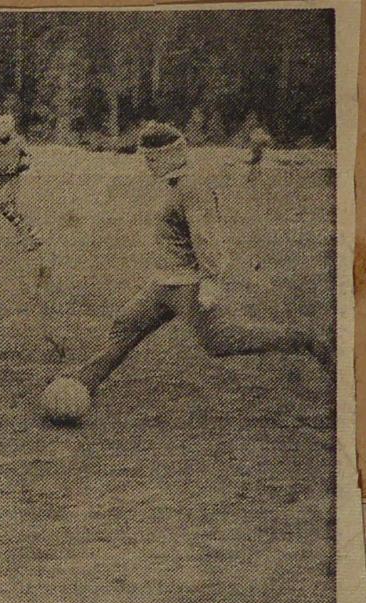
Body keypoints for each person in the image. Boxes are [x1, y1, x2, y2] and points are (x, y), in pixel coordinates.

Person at [61, 121, 333, 398]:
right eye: (146, 157)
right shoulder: (175, 183)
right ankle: (84, 382)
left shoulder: (192, 187)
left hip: (188, 285)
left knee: (219, 341)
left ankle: (306, 339)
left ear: (171, 155)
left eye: (152, 158)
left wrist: (210, 281)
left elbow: (207, 237)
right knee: (127, 323)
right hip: (163, 284)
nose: (148, 164)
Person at [0, 113, 41, 250]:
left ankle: (24, 230)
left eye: (7, 123)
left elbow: (28, 156)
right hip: (0, 178)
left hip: (13, 177)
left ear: (13, 126)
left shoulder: (18, 140)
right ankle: (32, 234)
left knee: (0, 203)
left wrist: (23, 164)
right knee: (12, 208)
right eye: (1, 123)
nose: (4, 126)